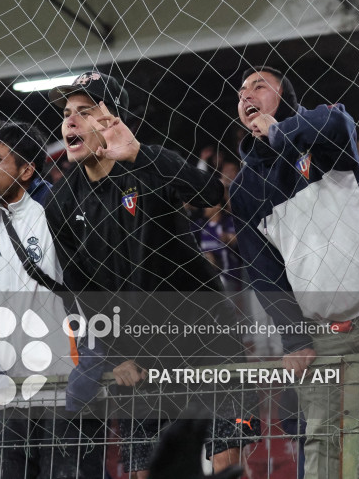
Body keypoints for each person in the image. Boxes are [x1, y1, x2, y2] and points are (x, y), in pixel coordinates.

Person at [46, 71, 260, 477]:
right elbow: (79, 289)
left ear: (113, 120)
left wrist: (141, 153)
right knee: (144, 470)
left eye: (85, 111)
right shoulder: (61, 201)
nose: (70, 121)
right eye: (67, 113)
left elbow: (209, 194)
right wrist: (117, 351)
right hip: (141, 358)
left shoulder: (145, 163)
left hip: (205, 341)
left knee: (225, 463)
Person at [229, 66, 359, 479]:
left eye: (259, 86)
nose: (246, 95)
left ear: (286, 98)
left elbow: (337, 122)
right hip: (325, 335)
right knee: (325, 439)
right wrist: (294, 339)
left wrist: (279, 131)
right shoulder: (245, 188)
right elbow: (264, 274)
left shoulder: (321, 136)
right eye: (240, 92)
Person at [0, 120, 106, 478]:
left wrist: (91, 363)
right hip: (12, 387)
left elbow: (94, 291)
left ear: (26, 169)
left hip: (64, 381)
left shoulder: (58, 209)